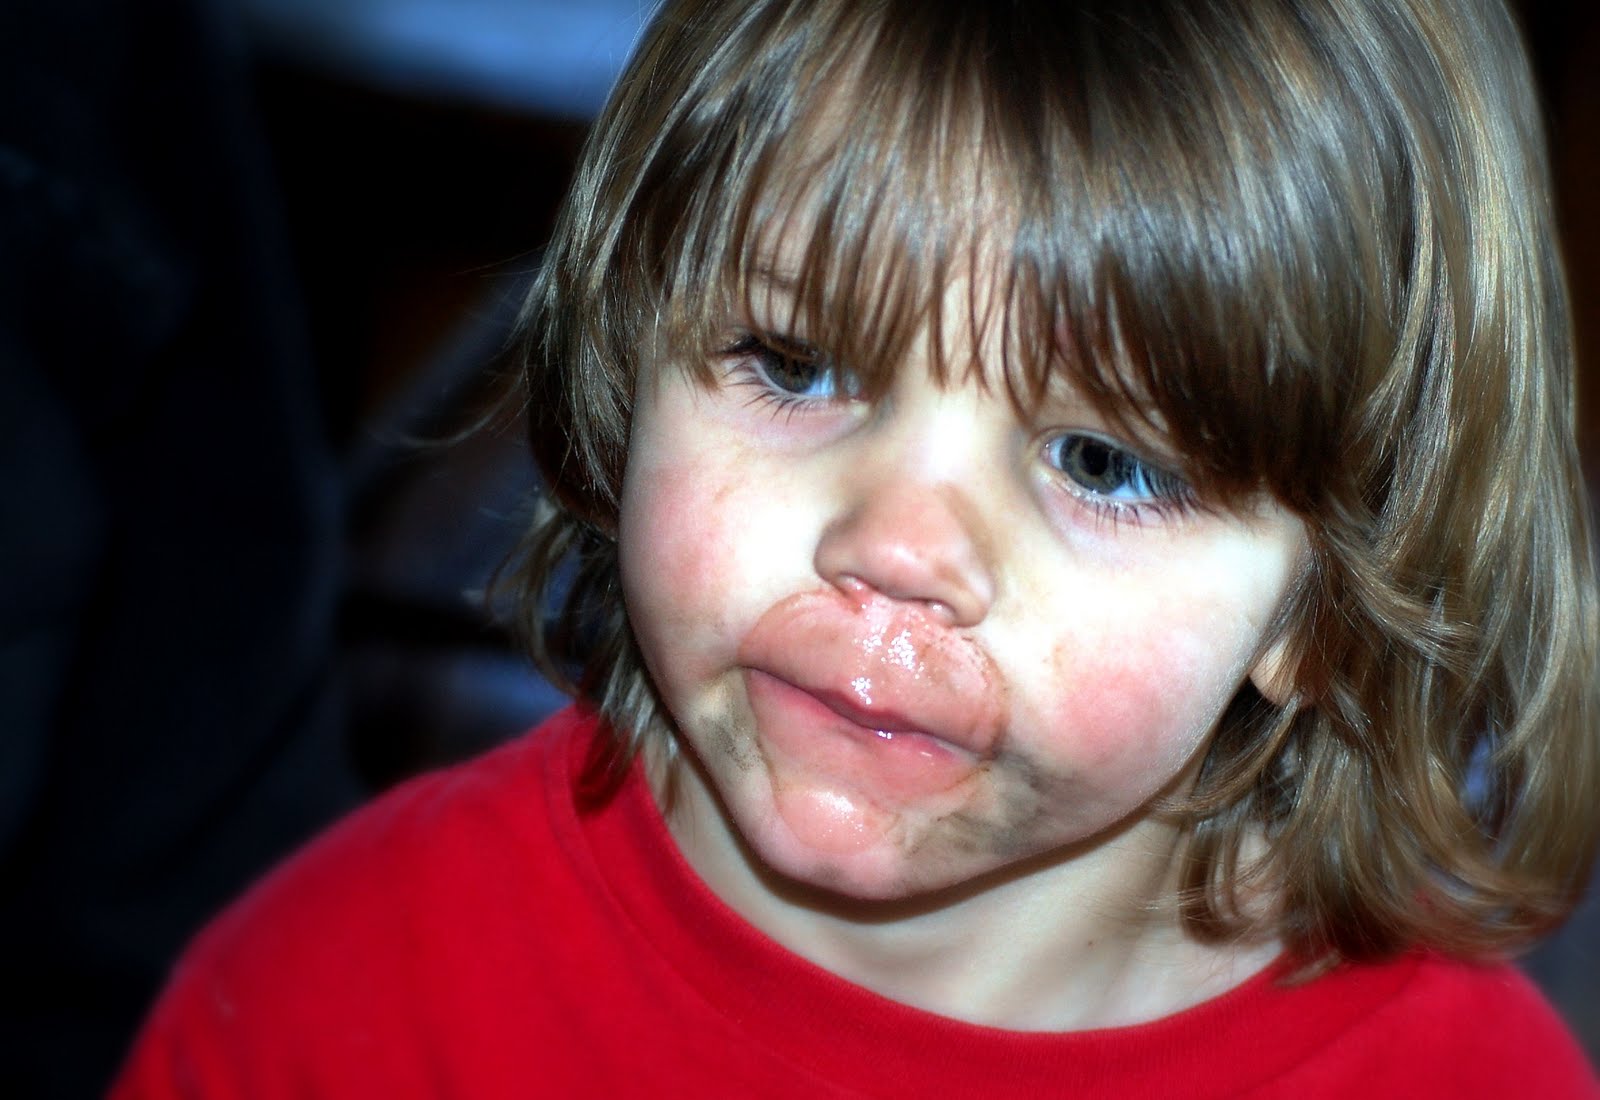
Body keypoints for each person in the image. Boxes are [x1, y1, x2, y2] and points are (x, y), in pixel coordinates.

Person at [112, 0, 1600, 1095]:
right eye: (795, 364)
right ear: (628, 365)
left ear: (1330, 602)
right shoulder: (338, 1003)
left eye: (1102, 461)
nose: (896, 547)